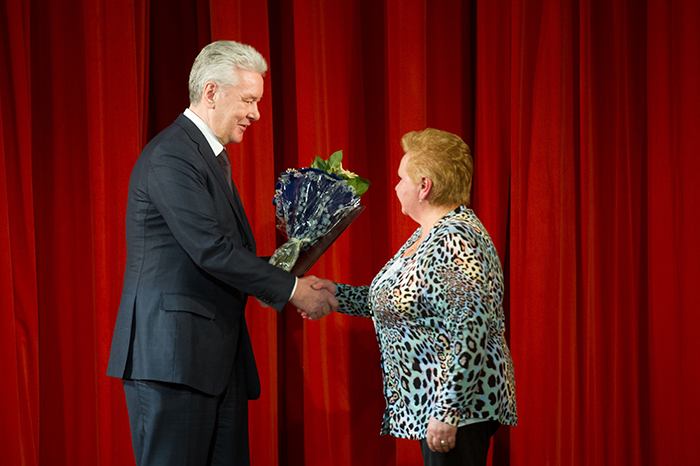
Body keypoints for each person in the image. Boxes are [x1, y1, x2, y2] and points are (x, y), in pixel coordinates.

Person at [106, 40, 337, 466]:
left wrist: (293, 273)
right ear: (211, 92)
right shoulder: (172, 155)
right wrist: (292, 290)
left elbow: (223, 252)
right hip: (172, 361)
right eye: (248, 100)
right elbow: (211, 250)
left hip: (211, 361)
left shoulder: (206, 157)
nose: (256, 113)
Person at [311, 128, 517, 465]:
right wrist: (335, 294)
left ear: (424, 186)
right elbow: (399, 303)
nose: (395, 187)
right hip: (437, 405)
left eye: (401, 178)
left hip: (460, 409)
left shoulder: (456, 239)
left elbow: (472, 329)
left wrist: (448, 411)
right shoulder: (428, 235)